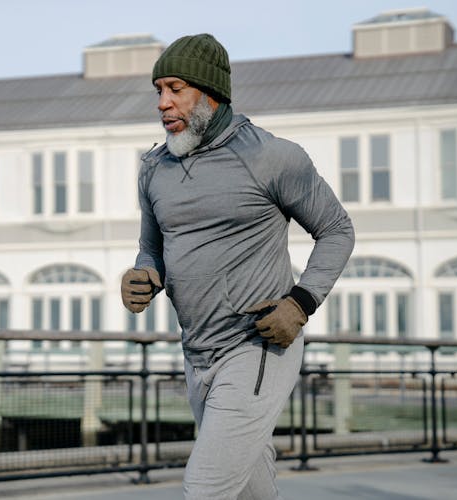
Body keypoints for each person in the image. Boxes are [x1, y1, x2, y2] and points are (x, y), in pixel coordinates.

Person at [121, 33, 355, 500]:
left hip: (258, 346)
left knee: (205, 489)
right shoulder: (153, 168)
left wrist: (301, 301)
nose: (163, 103)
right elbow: (152, 248)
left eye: (175, 89)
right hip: (197, 351)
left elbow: (336, 230)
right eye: (158, 91)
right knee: (251, 489)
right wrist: (143, 275)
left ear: (210, 93)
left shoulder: (271, 156)